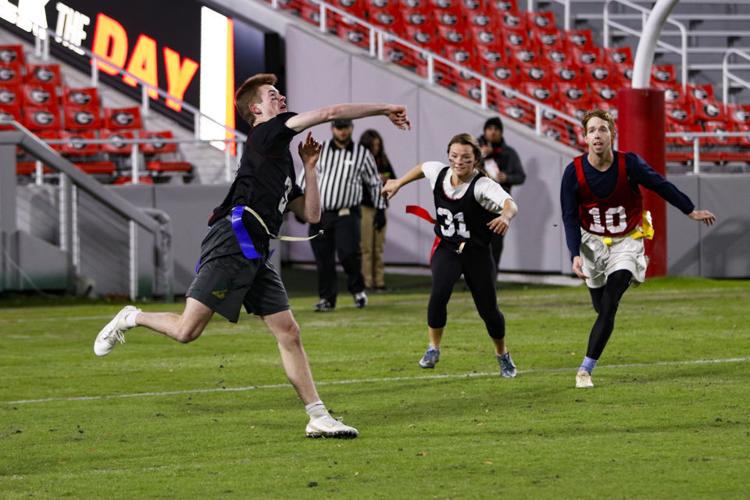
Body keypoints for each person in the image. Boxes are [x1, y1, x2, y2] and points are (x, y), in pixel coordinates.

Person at [93, 73, 411, 438]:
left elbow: (311, 215)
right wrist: (386, 108)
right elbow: (332, 111)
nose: (282, 97)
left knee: (289, 331)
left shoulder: (281, 158)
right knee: (186, 331)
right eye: (273, 95)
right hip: (233, 239)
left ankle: (318, 415)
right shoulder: (267, 132)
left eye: (280, 93)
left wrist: (310, 167)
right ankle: (131, 317)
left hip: (256, 250)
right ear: (256, 109)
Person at [561, 109, 716, 389]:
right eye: (592, 130)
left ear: (613, 134)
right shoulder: (573, 171)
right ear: (585, 137)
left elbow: (660, 185)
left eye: (603, 129)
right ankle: (607, 307)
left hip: (627, 239)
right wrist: (574, 253)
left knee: (609, 303)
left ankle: (585, 370)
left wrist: (690, 210)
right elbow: (569, 216)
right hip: (592, 243)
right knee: (602, 308)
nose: (597, 134)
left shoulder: (628, 164)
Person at [382, 133, 519, 377]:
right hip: (447, 248)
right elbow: (423, 168)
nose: (458, 161)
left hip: (476, 252)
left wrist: (505, 217)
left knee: (488, 310)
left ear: (475, 159)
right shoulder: (440, 172)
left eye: (465, 157)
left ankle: (502, 353)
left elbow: (510, 203)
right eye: (454, 156)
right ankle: (433, 347)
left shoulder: (483, 184)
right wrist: (398, 182)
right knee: (439, 292)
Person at [302, 119, 387, 312]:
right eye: (338, 127)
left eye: (345, 127)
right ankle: (327, 298)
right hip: (320, 214)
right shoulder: (320, 151)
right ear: (332, 129)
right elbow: (305, 177)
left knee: (348, 254)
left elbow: (374, 183)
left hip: (347, 213)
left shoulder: (362, 154)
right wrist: (300, 207)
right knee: (323, 258)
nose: (342, 131)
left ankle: (358, 290)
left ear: (351, 128)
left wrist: (380, 208)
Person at [477, 116, 525, 278]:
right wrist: (480, 157)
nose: (493, 132)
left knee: (495, 245)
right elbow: (461, 171)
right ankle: (473, 279)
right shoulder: (473, 149)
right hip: (477, 204)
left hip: (499, 207)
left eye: (496, 129)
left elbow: (521, 176)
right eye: (490, 128)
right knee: (475, 244)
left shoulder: (509, 153)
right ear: (484, 131)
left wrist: (507, 178)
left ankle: (491, 280)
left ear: (501, 132)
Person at [359, 129, 396, 291]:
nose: (375, 148)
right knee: (366, 247)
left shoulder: (383, 160)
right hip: (365, 208)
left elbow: (393, 179)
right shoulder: (359, 161)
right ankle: (366, 281)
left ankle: (379, 281)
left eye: (378, 145)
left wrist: (385, 180)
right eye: (373, 145)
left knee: (378, 247)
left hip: (381, 207)